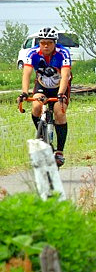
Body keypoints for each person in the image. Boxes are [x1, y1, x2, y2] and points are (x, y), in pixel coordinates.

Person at [17, 27, 72, 167]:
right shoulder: (33, 53)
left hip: (60, 86)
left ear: (55, 43)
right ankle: (41, 134)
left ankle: (59, 152)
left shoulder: (63, 53)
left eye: (49, 43)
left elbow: (65, 75)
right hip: (42, 86)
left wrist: (60, 94)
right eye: (42, 42)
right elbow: (27, 74)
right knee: (36, 106)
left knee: (59, 111)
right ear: (39, 43)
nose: (45, 45)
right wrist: (24, 92)